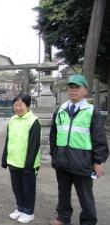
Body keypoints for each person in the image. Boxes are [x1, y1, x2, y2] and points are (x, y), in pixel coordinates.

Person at [49, 74, 109, 225]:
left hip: (82, 162)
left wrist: (98, 161)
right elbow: (53, 135)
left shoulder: (91, 111)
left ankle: (88, 221)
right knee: (63, 193)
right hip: (62, 160)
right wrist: (54, 155)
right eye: (70, 87)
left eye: (77, 87)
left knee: (85, 195)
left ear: (85, 91)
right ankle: (63, 217)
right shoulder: (60, 110)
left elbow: (99, 138)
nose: (73, 90)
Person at [1, 93, 41, 224]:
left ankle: (29, 212)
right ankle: (20, 208)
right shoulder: (12, 120)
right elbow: (8, 141)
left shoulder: (33, 121)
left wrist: (28, 165)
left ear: (28, 106)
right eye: (16, 105)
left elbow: (34, 145)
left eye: (21, 105)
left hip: (28, 164)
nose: (18, 108)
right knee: (16, 187)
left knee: (28, 188)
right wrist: (5, 158)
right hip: (14, 161)